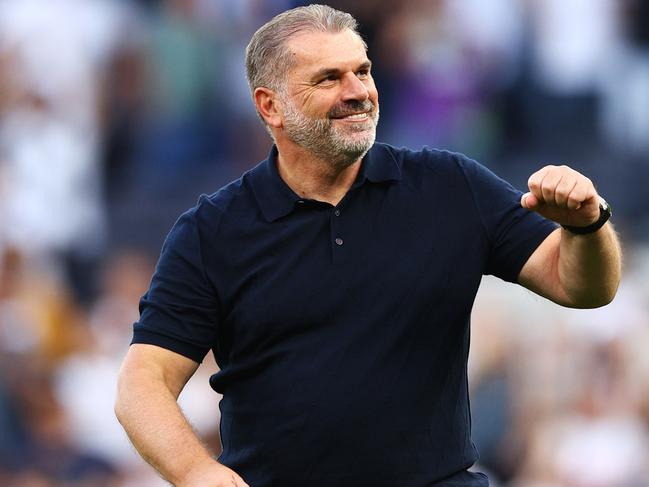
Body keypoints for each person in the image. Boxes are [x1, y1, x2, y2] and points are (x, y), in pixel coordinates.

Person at [114, 5, 622, 487]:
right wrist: (194, 471)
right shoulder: (212, 231)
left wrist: (587, 227)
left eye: (363, 70)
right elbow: (144, 382)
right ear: (271, 107)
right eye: (329, 78)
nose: (357, 91)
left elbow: (581, 287)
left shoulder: (449, 185)